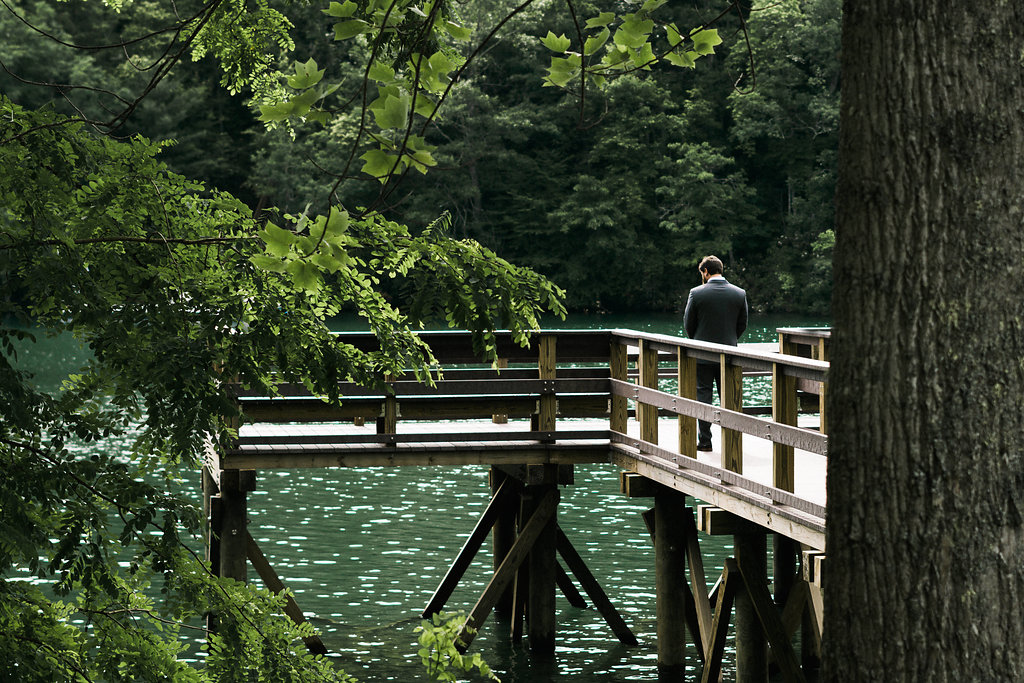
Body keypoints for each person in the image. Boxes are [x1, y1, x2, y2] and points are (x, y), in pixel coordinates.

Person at [683, 255, 748, 451]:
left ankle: (705, 442)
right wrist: (729, 341)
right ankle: (732, 443)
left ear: (705, 272)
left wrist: (699, 342)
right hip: (729, 355)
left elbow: (688, 325)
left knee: (704, 396)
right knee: (729, 398)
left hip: (702, 355)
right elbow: (742, 324)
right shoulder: (739, 293)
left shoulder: (696, 293)